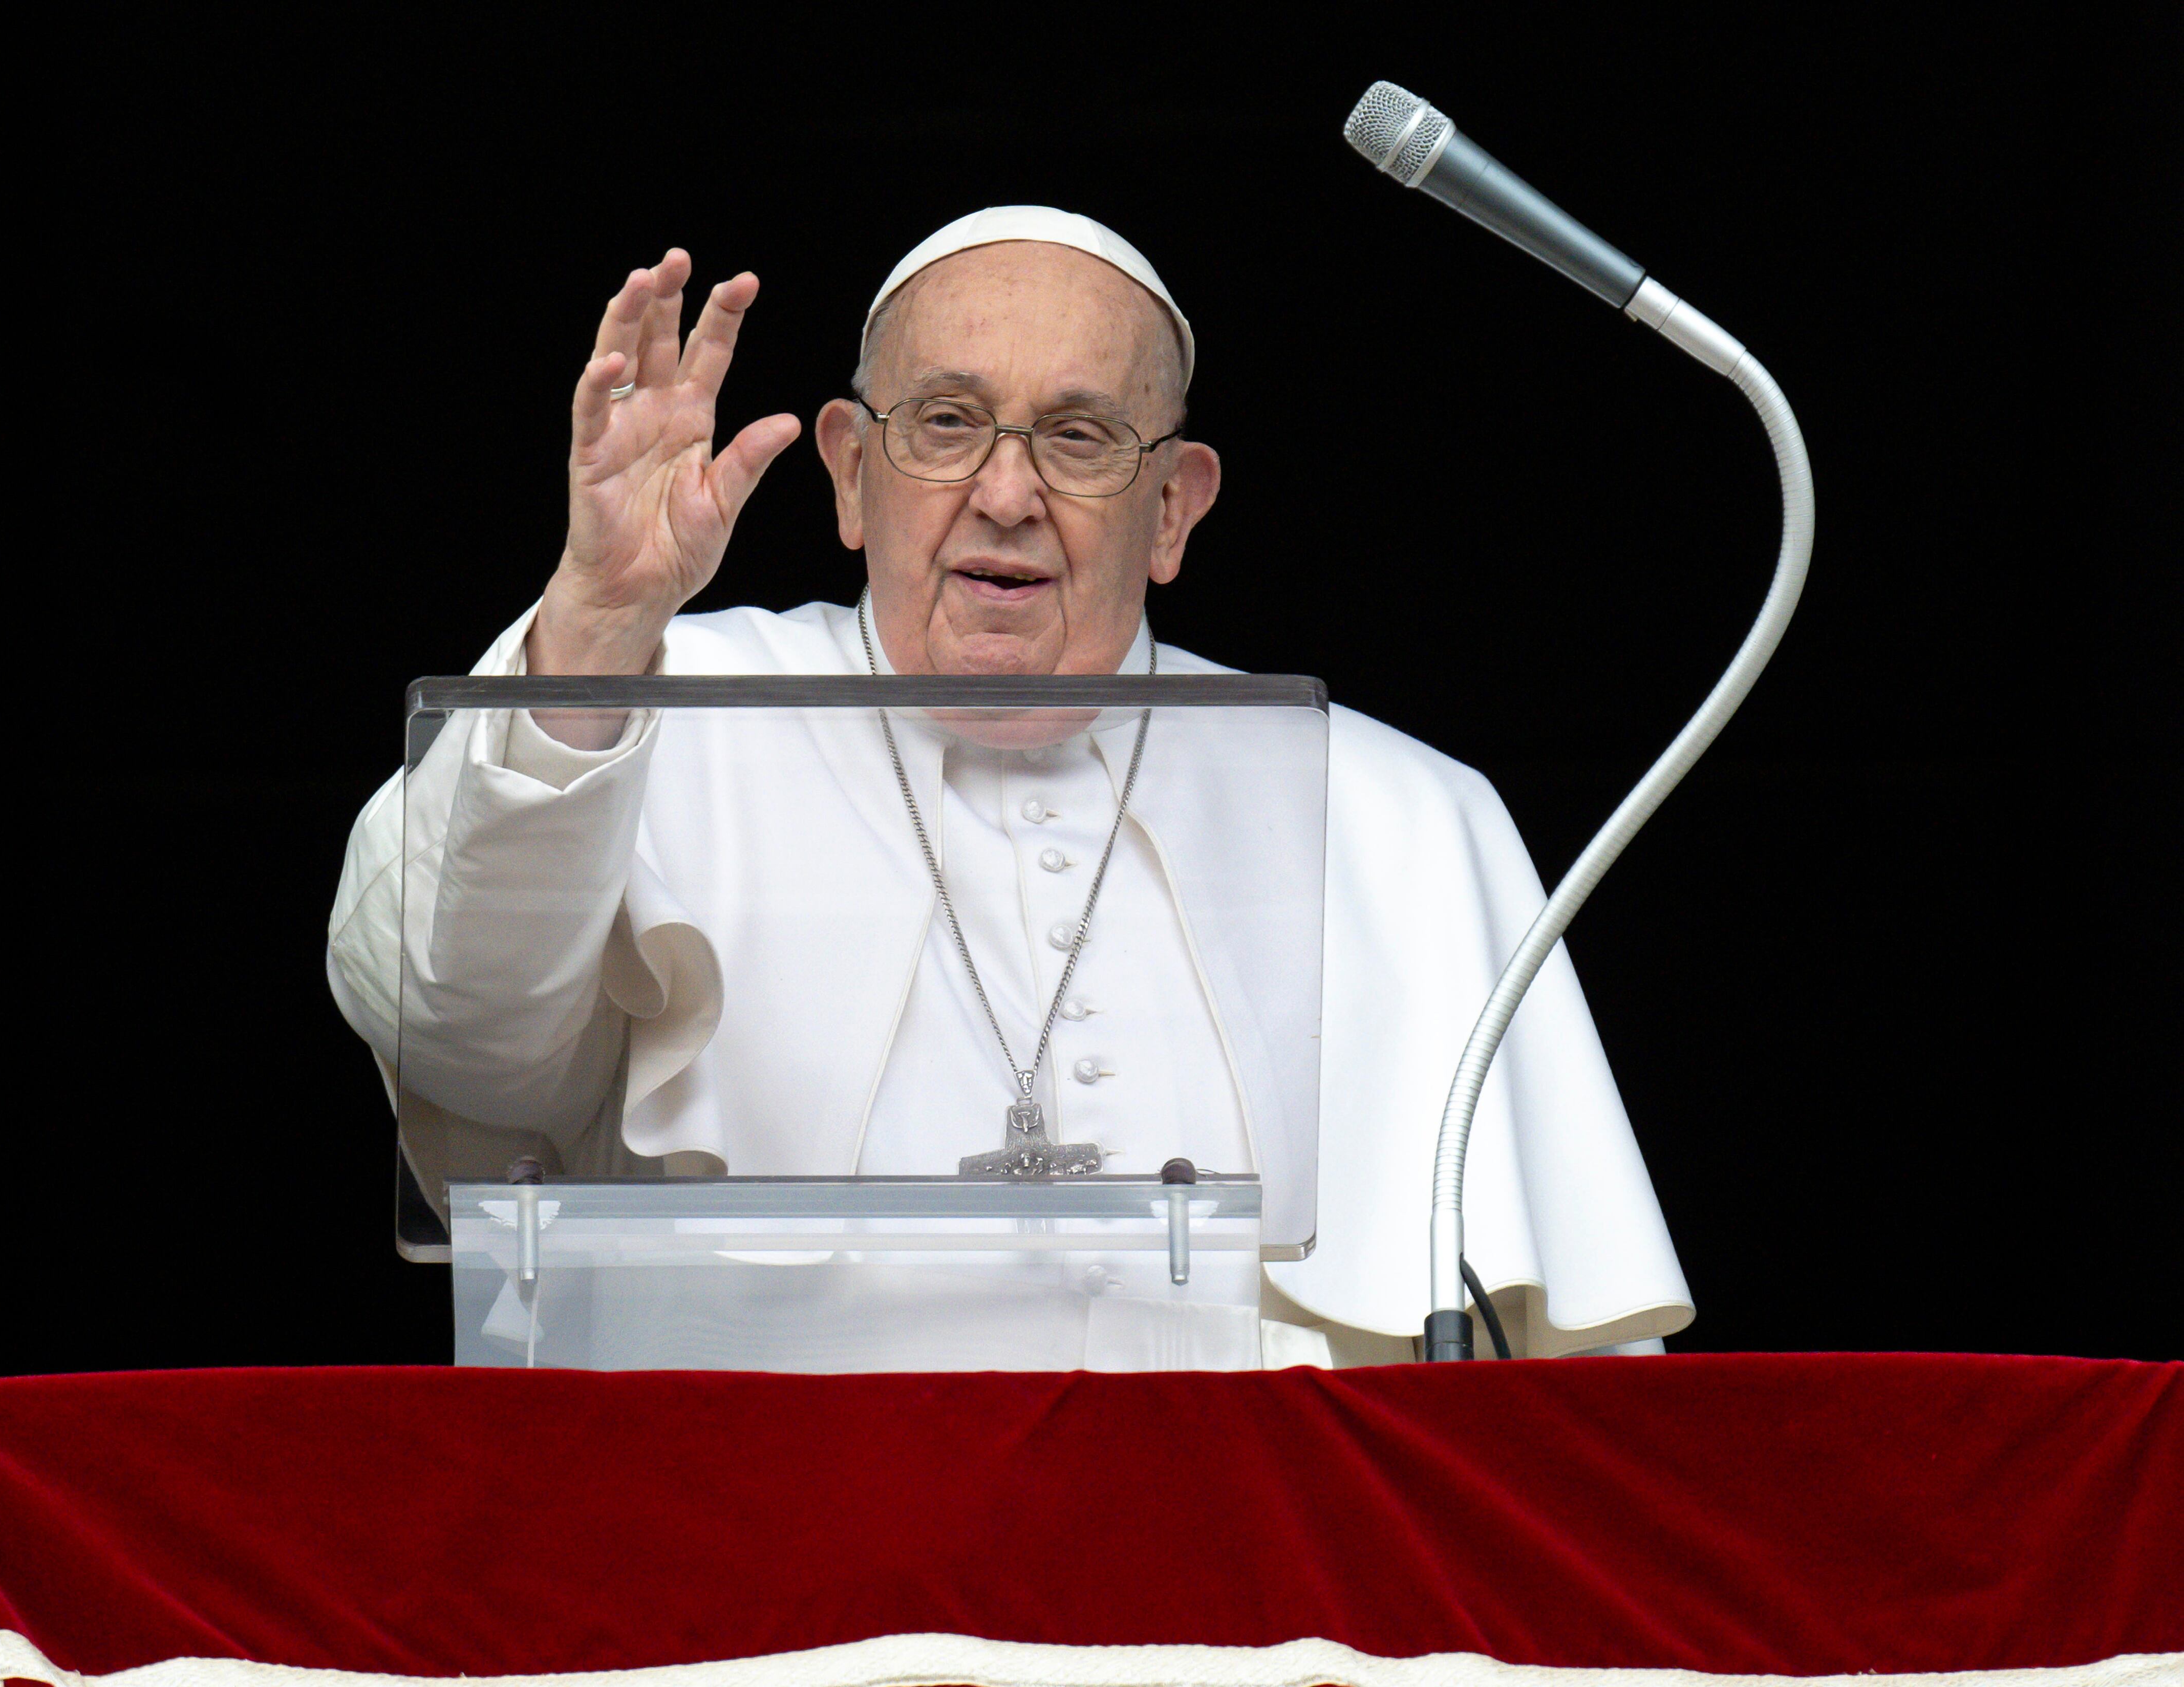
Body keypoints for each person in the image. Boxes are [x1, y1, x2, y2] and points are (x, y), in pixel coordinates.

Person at [328, 207, 1690, 1365]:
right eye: (946, 423)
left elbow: (1567, 1389)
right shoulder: (648, 712)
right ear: (852, 477)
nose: (1005, 491)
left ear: (1174, 510)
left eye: (1081, 437)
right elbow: (459, 1037)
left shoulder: (1403, 818)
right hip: (766, 1574)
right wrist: (598, 617)